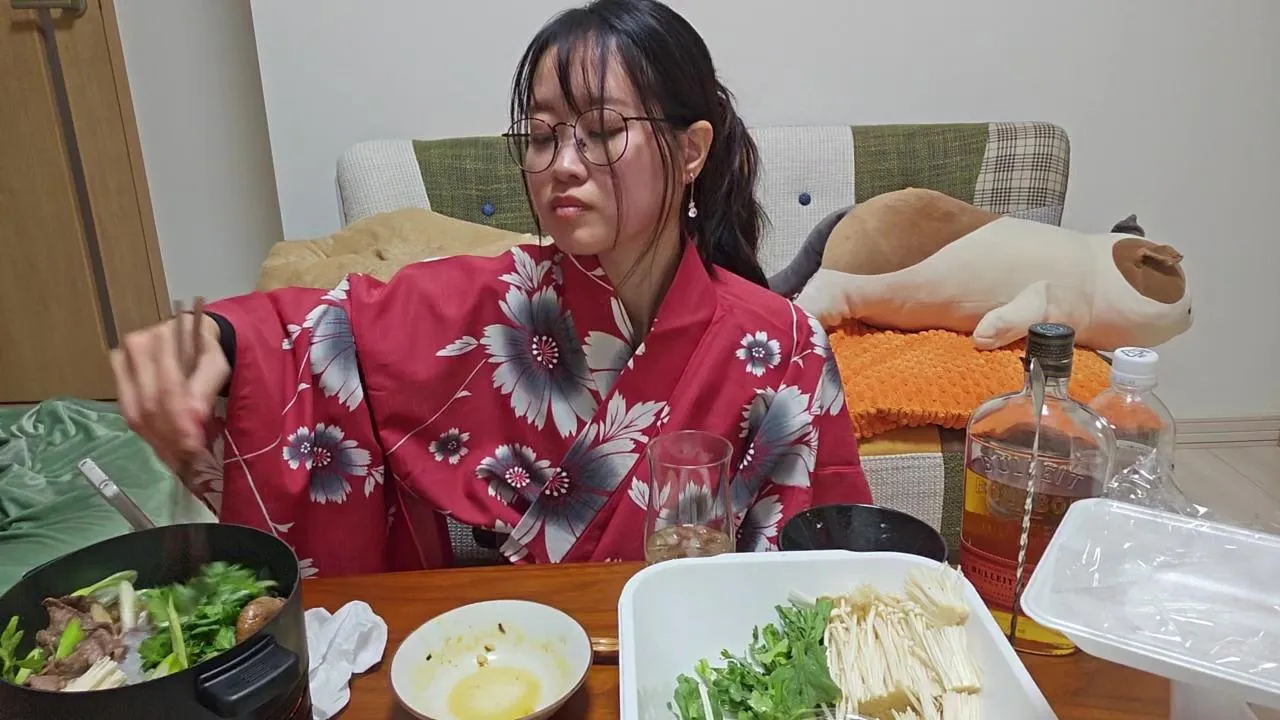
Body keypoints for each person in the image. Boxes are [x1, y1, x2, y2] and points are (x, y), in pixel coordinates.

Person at [112, 0, 871, 576]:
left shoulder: (783, 346)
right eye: (541, 136)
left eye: (602, 131)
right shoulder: (496, 303)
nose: (561, 165)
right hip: (502, 665)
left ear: (692, 149)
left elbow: (823, 562)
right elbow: (320, 332)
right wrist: (207, 339)